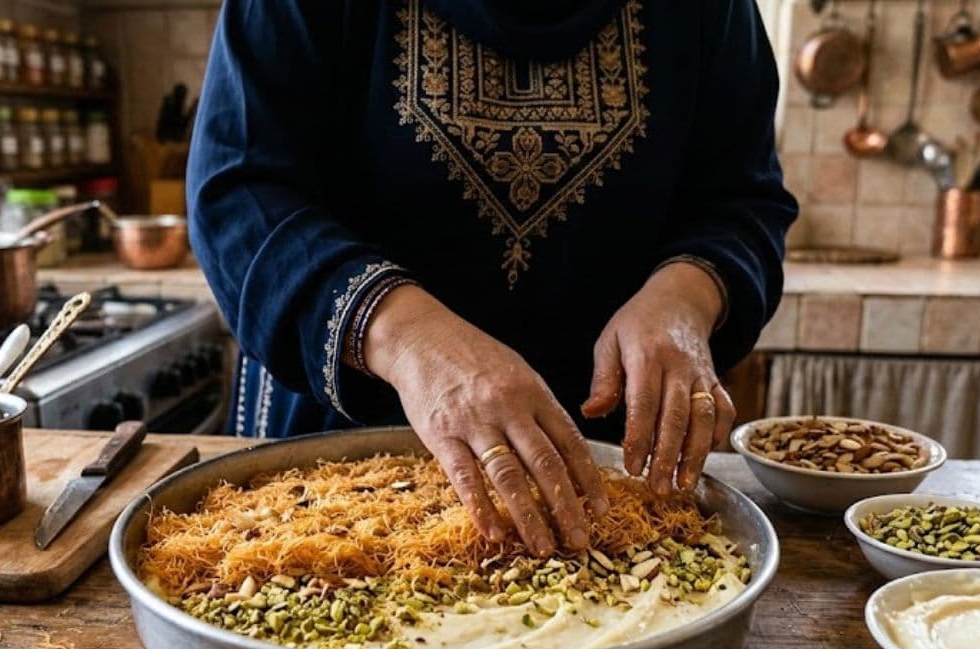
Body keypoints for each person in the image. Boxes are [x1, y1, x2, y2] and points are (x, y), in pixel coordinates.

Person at [187, 0, 798, 556]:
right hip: (336, 482)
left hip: (604, 487)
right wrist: (410, 340)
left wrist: (684, 296)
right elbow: (240, 194)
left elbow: (742, 200)